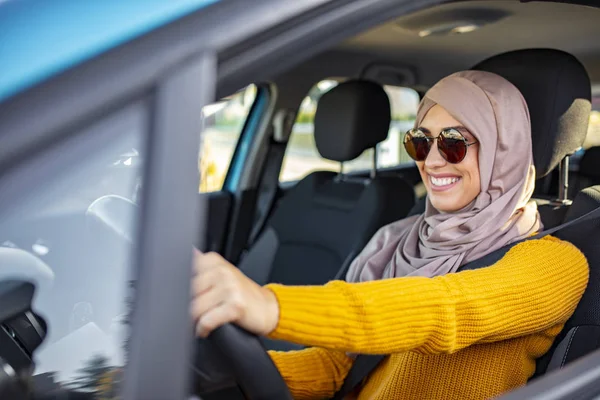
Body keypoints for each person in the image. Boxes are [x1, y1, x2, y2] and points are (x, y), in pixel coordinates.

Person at [190, 70, 589, 400]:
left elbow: (443, 309)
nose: (432, 161)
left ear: (505, 149)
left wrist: (268, 305)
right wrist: (222, 375)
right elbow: (338, 367)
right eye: (420, 141)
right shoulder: (395, 241)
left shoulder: (553, 264)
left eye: (454, 142)